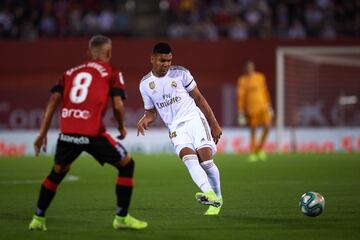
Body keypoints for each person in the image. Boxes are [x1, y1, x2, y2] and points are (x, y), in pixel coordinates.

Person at [28, 35, 147, 231]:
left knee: (57, 172)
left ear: (88, 53)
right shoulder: (112, 73)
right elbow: (118, 106)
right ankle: (122, 218)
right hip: (92, 134)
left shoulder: (69, 72)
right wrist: (121, 127)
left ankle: (38, 218)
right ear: (109, 52)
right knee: (127, 164)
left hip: (67, 134)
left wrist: (42, 133)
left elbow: (52, 101)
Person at [137, 42, 223, 216]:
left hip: (194, 119)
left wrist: (214, 123)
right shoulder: (145, 84)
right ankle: (212, 198)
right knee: (189, 160)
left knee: (206, 162)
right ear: (152, 59)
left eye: (169, 60)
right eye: (162, 60)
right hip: (176, 128)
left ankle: (217, 198)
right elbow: (151, 113)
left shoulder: (181, 73)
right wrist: (146, 119)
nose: (167, 64)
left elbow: (199, 98)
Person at [236, 59, 273, 162]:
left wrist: (269, 105)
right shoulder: (242, 80)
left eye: (251, 66)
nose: (249, 68)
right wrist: (240, 112)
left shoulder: (260, 77)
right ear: (245, 68)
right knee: (253, 130)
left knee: (268, 126)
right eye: (247, 67)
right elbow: (241, 97)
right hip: (250, 109)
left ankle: (259, 148)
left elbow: (264, 92)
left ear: (253, 67)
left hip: (263, 107)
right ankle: (253, 152)